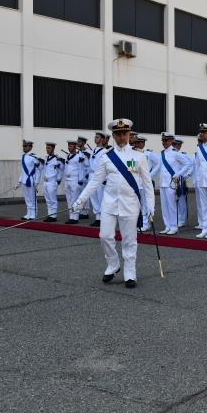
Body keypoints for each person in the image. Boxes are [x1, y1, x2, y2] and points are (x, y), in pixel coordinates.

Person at [74, 118, 154, 289]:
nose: (121, 137)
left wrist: (151, 207)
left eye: (124, 133)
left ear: (129, 135)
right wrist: (80, 200)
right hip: (109, 203)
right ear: (113, 135)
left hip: (130, 204)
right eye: (118, 134)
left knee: (129, 240)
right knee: (104, 236)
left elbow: (147, 184)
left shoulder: (139, 157)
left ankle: (130, 272)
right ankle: (113, 264)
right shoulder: (106, 157)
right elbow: (95, 181)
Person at [158, 132, 192, 235]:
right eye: (163, 141)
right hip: (163, 183)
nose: (164, 142)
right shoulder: (162, 153)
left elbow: (188, 164)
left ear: (171, 141)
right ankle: (167, 226)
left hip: (171, 183)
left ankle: (174, 226)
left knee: (172, 206)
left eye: (166, 140)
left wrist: (178, 174)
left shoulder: (176, 153)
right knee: (164, 207)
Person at [133, 135, 160, 231]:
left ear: (143, 143)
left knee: (145, 204)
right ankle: (139, 222)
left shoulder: (149, 154)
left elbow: (159, 163)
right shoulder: (133, 153)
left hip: (145, 183)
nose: (137, 144)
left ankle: (145, 223)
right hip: (136, 183)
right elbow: (132, 169)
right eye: (136, 142)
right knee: (137, 204)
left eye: (139, 142)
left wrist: (150, 175)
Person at [87, 131, 111, 227]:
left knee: (101, 198)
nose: (95, 138)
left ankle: (103, 218)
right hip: (92, 176)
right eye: (95, 137)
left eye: (97, 137)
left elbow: (107, 166)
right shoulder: (93, 150)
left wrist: (105, 178)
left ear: (102, 139)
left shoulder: (105, 151)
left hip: (100, 176)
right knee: (93, 197)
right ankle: (97, 218)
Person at [63, 139, 87, 224]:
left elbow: (82, 169)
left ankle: (75, 217)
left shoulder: (79, 156)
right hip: (67, 180)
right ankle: (71, 216)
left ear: (75, 146)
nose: (69, 147)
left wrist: (80, 180)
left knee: (75, 199)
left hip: (75, 180)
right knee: (69, 199)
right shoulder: (67, 156)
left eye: (71, 146)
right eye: (68, 146)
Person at [18, 139, 41, 220]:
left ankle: (33, 214)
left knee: (32, 198)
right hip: (24, 180)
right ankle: (28, 213)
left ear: (30, 147)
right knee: (27, 198)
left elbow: (38, 170)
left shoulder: (33, 157)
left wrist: (37, 182)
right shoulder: (23, 156)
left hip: (31, 180)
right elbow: (22, 170)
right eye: (23, 146)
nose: (23, 148)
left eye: (25, 146)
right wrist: (20, 180)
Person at [41, 142, 64, 222]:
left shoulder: (57, 160)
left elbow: (61, 170)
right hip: (46, 182)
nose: (47, 150)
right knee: (47, 200)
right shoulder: (46, 158)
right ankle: (49, 215)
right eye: (46, 148)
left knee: (52, 199)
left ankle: (53, 216)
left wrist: (58, 180)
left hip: (52, 182)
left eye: (49, 148)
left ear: (53, 149)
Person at [172, 138, 190, 227]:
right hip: (173, 180)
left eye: (178, 145)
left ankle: (182, 219)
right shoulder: (170, 154)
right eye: (175, 145)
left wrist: (185, 175)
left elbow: (189, 166)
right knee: (174, 200)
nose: (176, 146)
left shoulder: (183, 155)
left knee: (181, 200)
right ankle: (176, 218)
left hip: (180, 180)